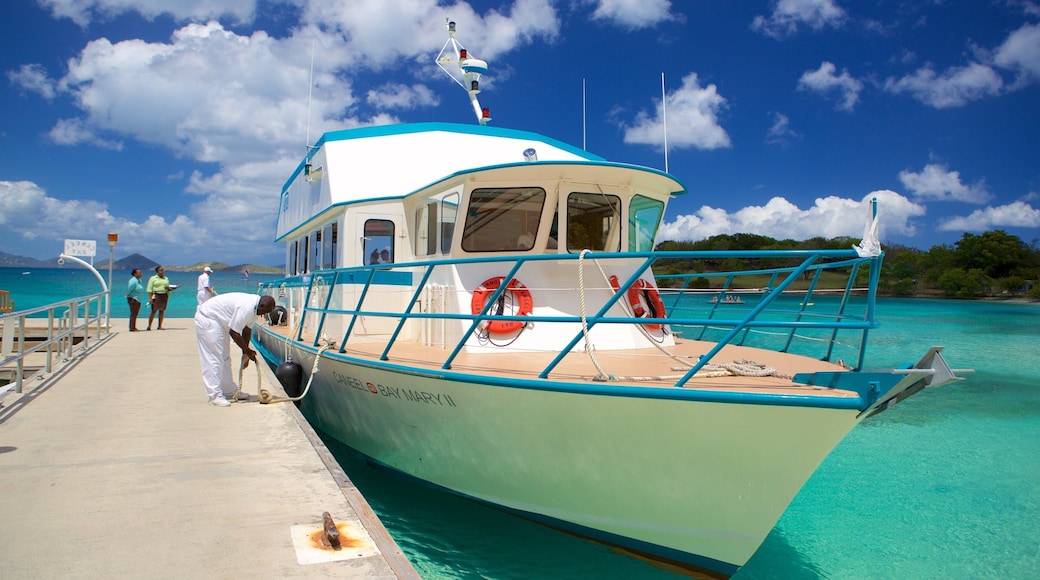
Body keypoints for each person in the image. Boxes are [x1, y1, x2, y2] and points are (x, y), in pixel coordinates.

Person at [194, 293, 276, 407]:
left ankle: (228, 390)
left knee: (225, 357)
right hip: (208, 318)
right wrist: (247, 351)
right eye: (265, 312)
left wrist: (245, 354)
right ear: (262, 305)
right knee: (214, 358)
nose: (264, 315)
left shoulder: (256, 308)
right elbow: (234, 332)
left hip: (220, 322)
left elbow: (247, 330)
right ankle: (215, 395)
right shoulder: (247, 307)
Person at [146, 265, 177, 330]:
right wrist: (150, 298)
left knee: (162, 310)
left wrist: (171, 289)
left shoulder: (166, 278)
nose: (162, 271)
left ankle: (160, 326)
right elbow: (149, 289)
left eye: (163, 270)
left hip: (164, 295)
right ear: (157, 271)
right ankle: (149, 325)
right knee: (154, 310)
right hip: (156, 295)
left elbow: (167, 286)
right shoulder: (153, 278)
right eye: (160, 270)